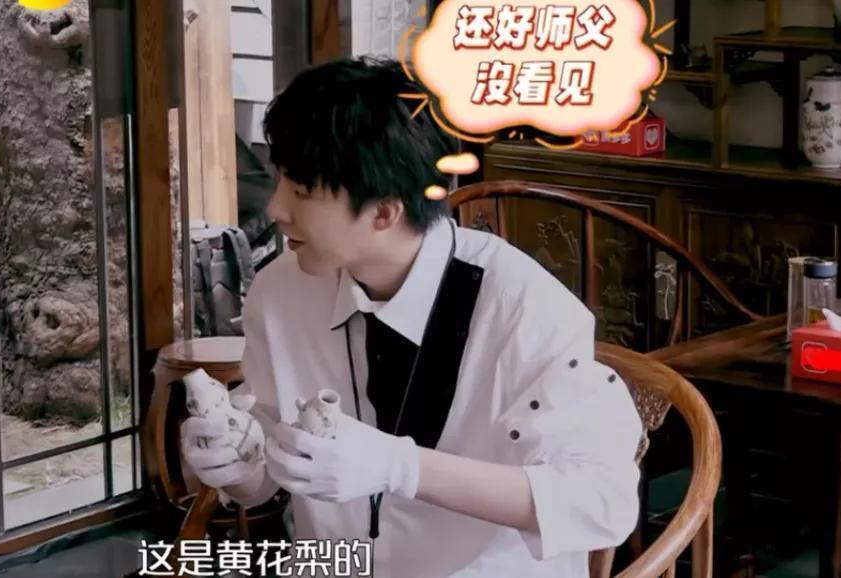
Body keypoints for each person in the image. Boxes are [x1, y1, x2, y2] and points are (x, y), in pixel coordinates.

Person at [180, 56, 643, 578]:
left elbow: (601, 502)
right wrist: (236, 463)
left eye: (302, 191)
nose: (275, 209)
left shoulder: (524, 306)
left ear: (384, 211)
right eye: (279, 181)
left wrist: (400, 466)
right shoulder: (280, 291)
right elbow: (265, 470)